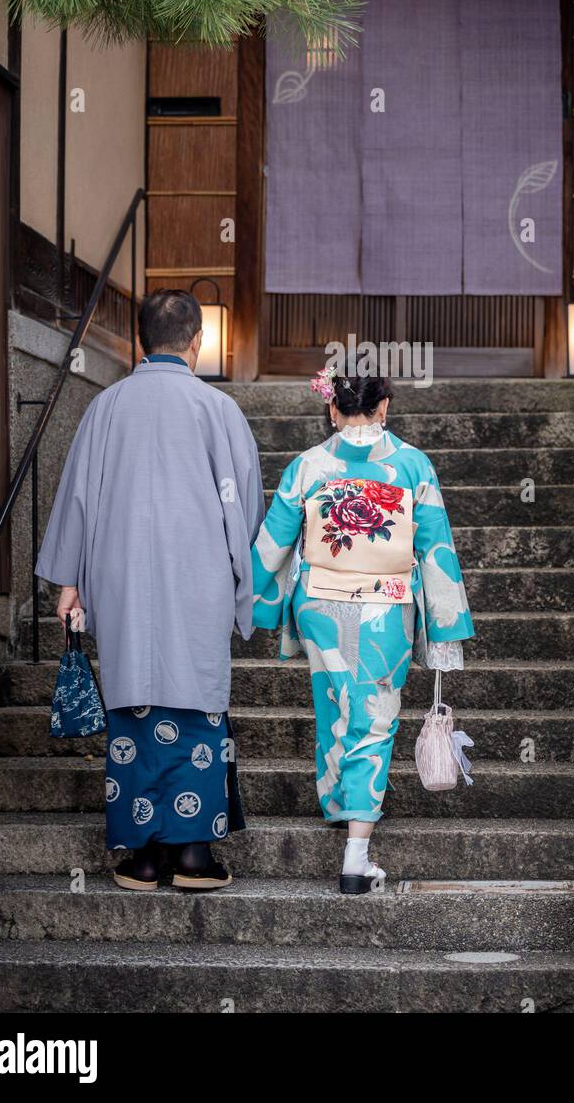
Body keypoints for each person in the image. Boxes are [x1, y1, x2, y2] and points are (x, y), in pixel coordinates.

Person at [35, 289, 264, 892]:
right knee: (196, 705)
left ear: (140, 342)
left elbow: (78, 500)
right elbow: (244, 507)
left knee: (134, 705)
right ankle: (192, 855)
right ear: (197, 342)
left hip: (123, 580)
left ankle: (140, 858)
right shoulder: (219, 410)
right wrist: (245, 581)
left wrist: (69, 583)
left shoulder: (106, 408)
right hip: (199, 581)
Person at [251, 369, 474, 893]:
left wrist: (256, 605)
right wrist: (444, 630)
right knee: (374, 716)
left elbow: (273, 542)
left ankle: (339, 802)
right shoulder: (413, 465)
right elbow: (436, 550)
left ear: (333, 410)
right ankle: (356, 854)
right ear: (385, 408)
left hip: (320, 607)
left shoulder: (307, 466)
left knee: (334, 703)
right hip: (385, 606)